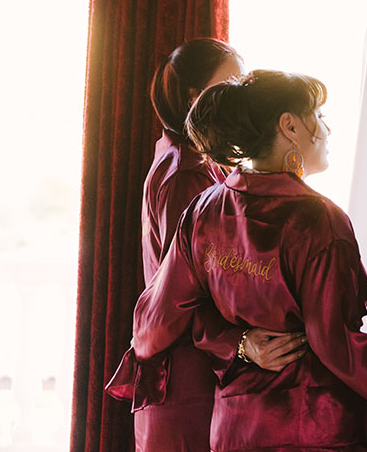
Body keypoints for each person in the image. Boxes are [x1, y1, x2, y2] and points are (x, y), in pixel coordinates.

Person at [130, 69, 367, 451]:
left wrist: (238, 342)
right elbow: (338, 346)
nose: (327, 130)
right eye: (320, 116)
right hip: (314, 426)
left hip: (234, 428)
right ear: (290, 126)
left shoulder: (204, 210)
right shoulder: (317, 220)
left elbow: (159, 315)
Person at [107, 39, 303, 451]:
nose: (242, 91)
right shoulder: (187, 174)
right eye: (232, 81)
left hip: (195, 363)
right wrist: (241, 343)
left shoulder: (192, 160)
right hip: (187, 375)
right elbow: (183, 290)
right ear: (195, 97)